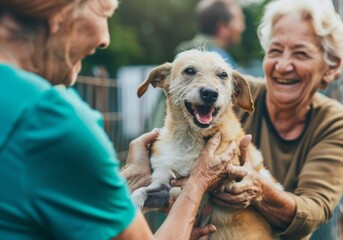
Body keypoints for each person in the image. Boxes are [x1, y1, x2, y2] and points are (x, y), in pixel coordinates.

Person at [0, 0, 242, 239]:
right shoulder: (53, 121)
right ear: (59, 14)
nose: (106, 38)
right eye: (103, 13)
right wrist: (199, 181)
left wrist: (126, 177)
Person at [125, 0, 343, 239]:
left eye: (300, 53)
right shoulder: (226, 94)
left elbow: (314, 210)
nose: (283, 65)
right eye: (275, 50)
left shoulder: (337, 123)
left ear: (331, 67)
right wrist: (138, 178)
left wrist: (258, 188)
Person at [174, 0, 245, 69]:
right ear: (222, 27)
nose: (243, 27)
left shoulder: (182, 55)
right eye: (240, 20)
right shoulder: (220, 60)